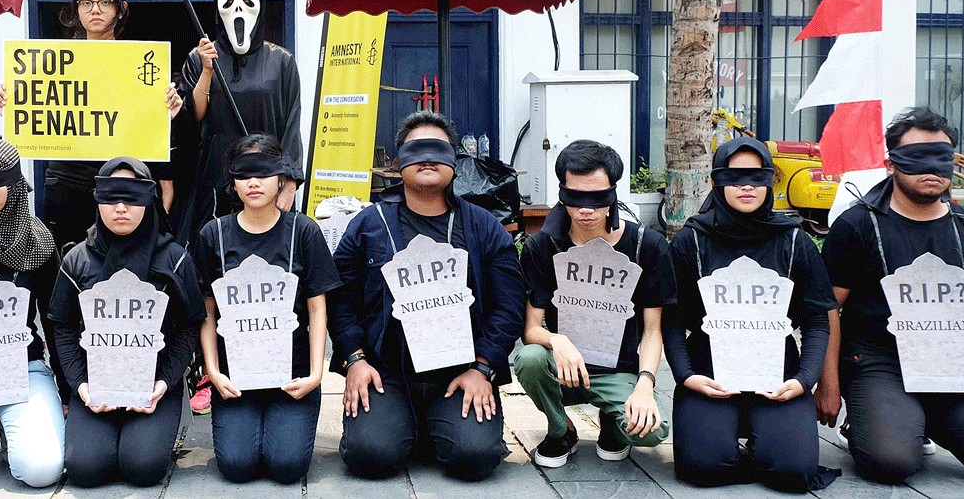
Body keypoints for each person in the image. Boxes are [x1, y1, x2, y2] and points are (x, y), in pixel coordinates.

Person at [328, 111, 525, 481]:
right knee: (371, 456)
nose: (428, 158)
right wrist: (354, 359)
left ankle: (433, 428)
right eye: (416, 149)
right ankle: (399, 426)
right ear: (399, 161)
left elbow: (508, 305)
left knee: (475, 459)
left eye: (438, 149)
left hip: (460, 373)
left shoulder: (484, 228)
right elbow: (339, 298)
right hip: (385, 373)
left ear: (455, 160)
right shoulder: (368, 225)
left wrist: (483, 367)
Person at [663, 137, 838, 491]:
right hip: (709, 375)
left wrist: (804, 380)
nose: (746, 185)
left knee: (793, 472)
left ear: (770, 181)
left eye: (757, 177)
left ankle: (770, 446)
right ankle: (735, 444)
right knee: (702, 467)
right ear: (717, 180)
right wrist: (685, 377)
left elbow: (818, 319)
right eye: (735, 176)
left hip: (778, 377)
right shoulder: (692, 241)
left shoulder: (793, 241)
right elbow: (672, 318)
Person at [816, 107, 964, 482]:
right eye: (916, 158)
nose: (931, 169)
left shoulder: (961, 227)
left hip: (951, 365)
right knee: (891, 462)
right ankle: (878, 421)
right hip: (879, 362)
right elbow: (826, 307)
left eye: (941, 157)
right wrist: (828, 384)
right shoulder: (857, 225)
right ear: (890, 164)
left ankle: (920, 419)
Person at [0, 0, 183, 248]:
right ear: (77, 10)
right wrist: (8, 104)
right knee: (70, 259)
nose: (95, 9)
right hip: (67, 182)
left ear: (120, 9)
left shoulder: (140, 63)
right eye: (86, 2)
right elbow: (33, 107)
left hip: (120, 180)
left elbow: (154, 136)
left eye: (105, 2)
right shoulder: (51, 63)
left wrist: (168, 113)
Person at [514, 140, 675, 468]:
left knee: (651, 433)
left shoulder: (647, 245)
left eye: (597, 198)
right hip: (564, 366)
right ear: (562, 193)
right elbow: (531, 330)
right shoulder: (543, 246)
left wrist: (646, 383)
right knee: (529, 359)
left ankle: (613, 425)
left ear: (613, 193)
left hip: (619, 368)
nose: (586, 210)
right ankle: (561, 429)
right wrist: (556, 340)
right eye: (575, 197)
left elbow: (653, 330)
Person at [48, 157, 205, 488]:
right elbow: (61, 326)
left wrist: (164, 383)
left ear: (149, 198)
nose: (121, 207)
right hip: (95, 386)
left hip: (153, 388)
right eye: (112, 196)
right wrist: (81, 387)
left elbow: (192, 324)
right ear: (97, 199)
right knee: (86, 469)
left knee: (142, 467)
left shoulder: (174, 259)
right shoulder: (77, 260)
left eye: (132, 196)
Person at [193, 134, 339, 483]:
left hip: (293, 376)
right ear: (232, 181)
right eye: (244, 174)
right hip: (235, 378)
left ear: (281, 179)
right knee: (238, 466)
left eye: (263, 172)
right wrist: (213, 371)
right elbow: (207, 312)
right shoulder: (213, 235)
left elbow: (318, 308)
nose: (254, 182)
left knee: (287, 466)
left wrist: (316, 374)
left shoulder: (304, 233)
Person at [0, 139, 65, 487]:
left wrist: (67, 393)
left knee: (41, 469)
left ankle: (10, 422)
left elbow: (55, 321)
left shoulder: (37, 241)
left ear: (16, 183)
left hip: (22, 366)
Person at [179, 0, 303, 243]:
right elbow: (191, 117)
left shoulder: (281, 62)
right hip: (213, 178)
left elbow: (292, 123)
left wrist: (290, 182)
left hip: (265, 176)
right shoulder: (199, 58)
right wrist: (207, 71)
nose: (238, 7)